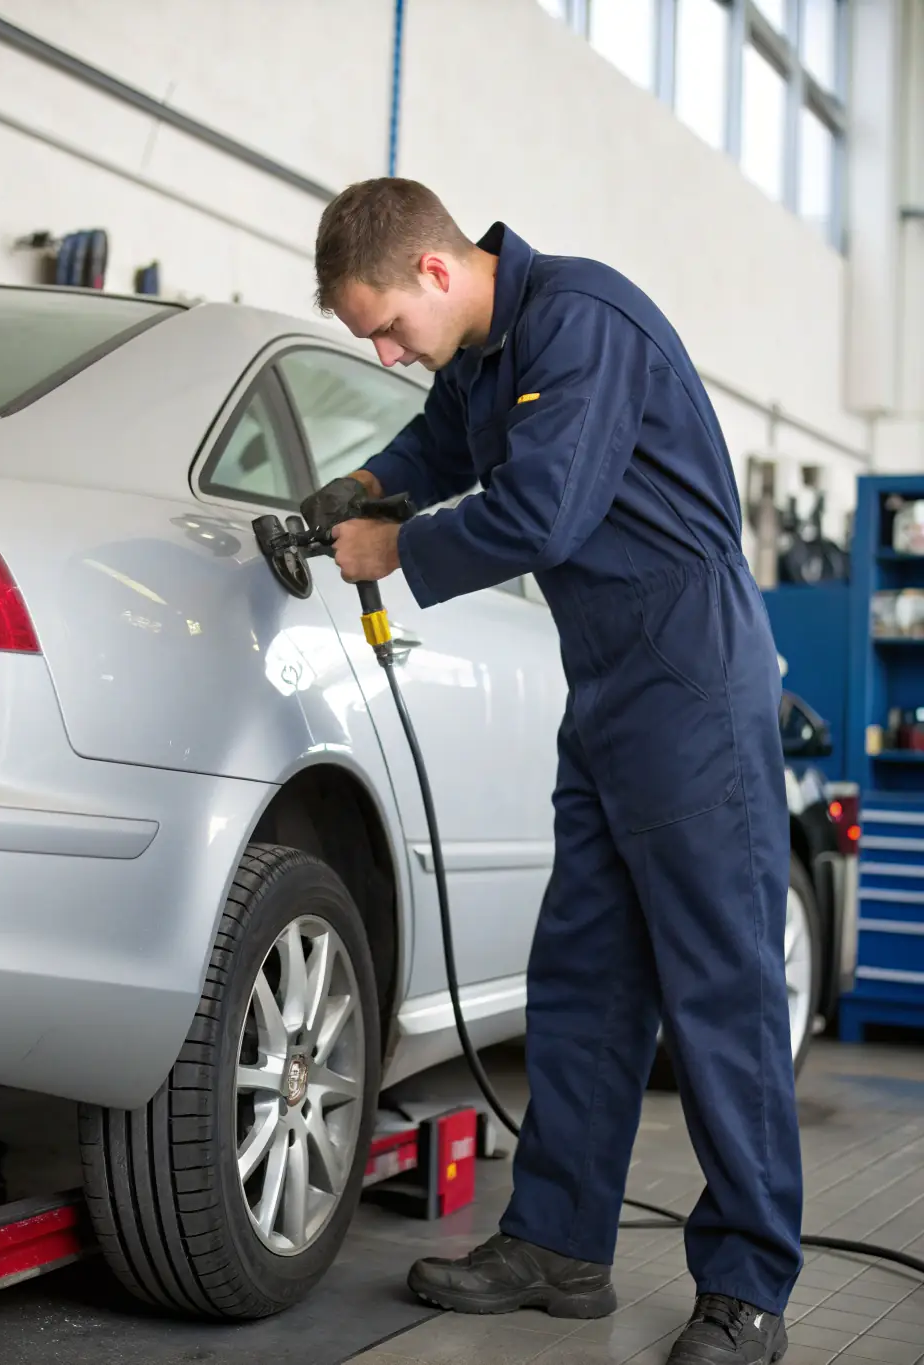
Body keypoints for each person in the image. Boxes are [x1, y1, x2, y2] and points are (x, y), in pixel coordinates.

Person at [301, 178, 801, 1365]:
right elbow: (439, 441)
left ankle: (748, 1291)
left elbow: (542, 511)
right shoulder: (478, 354)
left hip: (691, 681)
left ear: (433, 268)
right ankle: (561, 1248)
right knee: (583, 978)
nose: (383, 347)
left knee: (718, 994)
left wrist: (394, 545)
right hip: (610, 692)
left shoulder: (582, 319)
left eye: (382, 323)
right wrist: (368, 484)